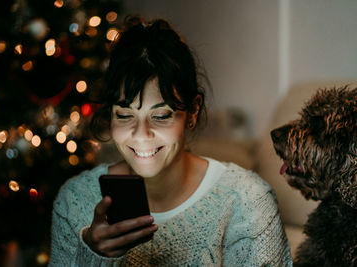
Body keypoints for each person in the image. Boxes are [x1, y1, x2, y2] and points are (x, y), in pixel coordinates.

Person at [49, 16, 292, 266]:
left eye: (161, 115)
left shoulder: (248, 201)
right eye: (124, 115)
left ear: (193, 111)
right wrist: (92, 255)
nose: (141, 133)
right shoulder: (75, 202)